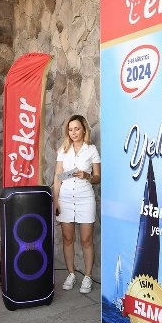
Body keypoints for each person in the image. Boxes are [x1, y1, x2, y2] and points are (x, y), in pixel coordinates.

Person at [53, 114, 101, 293]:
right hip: (65, 198)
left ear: (83, 130)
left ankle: (87, 276)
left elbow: (98, 177)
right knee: (67, 238)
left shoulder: (91, 150)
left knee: (86, 239)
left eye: (77, 129)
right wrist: (55, 200)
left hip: (85, 198)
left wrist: (87, 175)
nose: (73, 132)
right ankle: (71, 273)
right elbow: (58, 177)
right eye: (70, 129)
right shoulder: (63, 150)